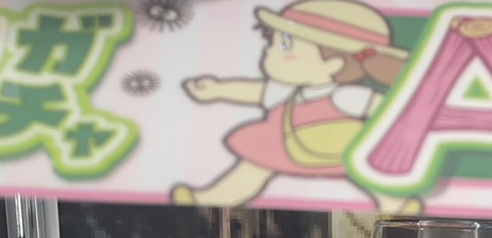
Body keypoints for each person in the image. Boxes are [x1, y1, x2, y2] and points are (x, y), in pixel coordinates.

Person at [173, 0, 421, 212]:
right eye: (274, 43)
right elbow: (254, 91)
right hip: (282, 144)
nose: (269, 52)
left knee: (364, 172)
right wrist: (217, 90)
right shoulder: (282, 91)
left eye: (285, 47)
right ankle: (211, 197)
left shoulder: (345, 96)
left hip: (337, 149)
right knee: (251, 168)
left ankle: (394, 202)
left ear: (333, 64)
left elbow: (385, 108)